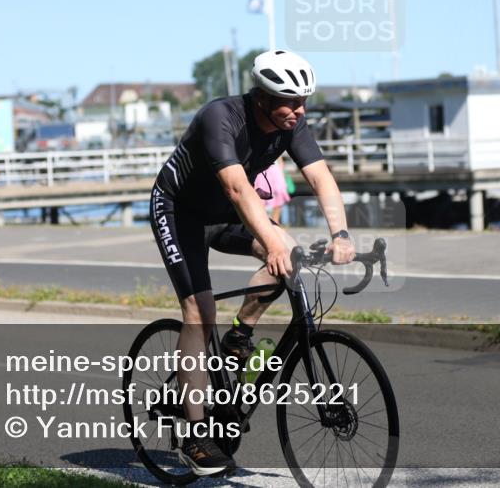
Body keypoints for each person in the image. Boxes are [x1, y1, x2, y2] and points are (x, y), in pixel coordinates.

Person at [150, 50, 355, 475]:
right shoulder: (220, 118)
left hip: (226, 214)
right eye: (290, 101)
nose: (299, 111)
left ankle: (239, 336)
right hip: (180, 211)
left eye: (304, 102)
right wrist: (270, 242)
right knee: (199, 311)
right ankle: (194, 436)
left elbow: (321, 177)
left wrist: (340, 234)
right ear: (262, 97)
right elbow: (239, 191)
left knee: (291, 256)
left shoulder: (291, 125)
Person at [254, 157, 290, 224]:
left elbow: (280, 158)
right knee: (260, 197)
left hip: (275, 168)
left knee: (279, 194)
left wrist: (282, 172)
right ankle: (263, 223)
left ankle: (275, 222)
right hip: (260, 170)